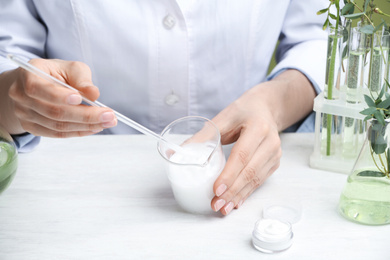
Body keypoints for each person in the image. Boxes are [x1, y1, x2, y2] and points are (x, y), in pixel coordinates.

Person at [0, 1, 329, 215]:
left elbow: (317, 40)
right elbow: (8, 56)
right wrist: (20, 97)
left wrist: (272, 104)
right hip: (69, 199)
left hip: (241, 182)